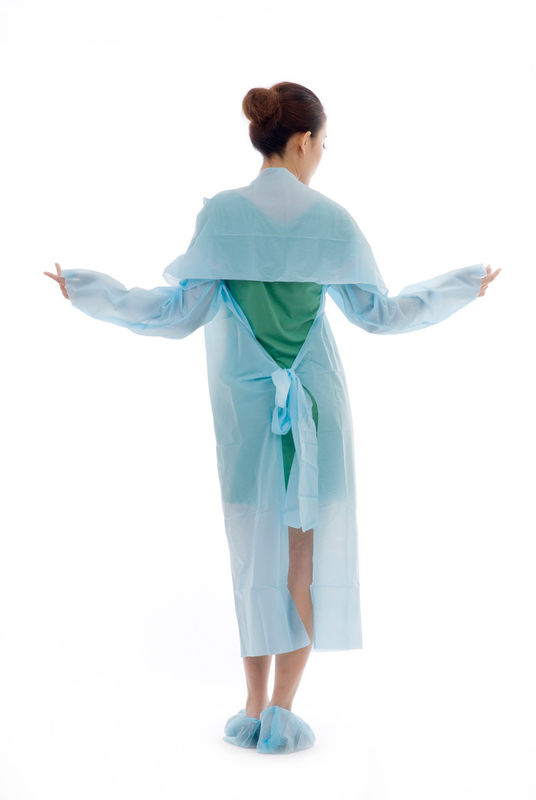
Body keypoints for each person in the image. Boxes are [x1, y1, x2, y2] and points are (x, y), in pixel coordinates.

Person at [44, 81, 500, 755]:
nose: (322, 155)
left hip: (246, 417)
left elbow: (174, 312)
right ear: (304, 140)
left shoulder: (222, 216)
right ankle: (283, 711)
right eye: (324, 143)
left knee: (251, 557)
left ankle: (253, 705)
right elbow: (381, 314)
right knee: (302, 562)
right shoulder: (332, 220)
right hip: (316, 411)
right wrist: (461, 285)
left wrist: (88, 289)